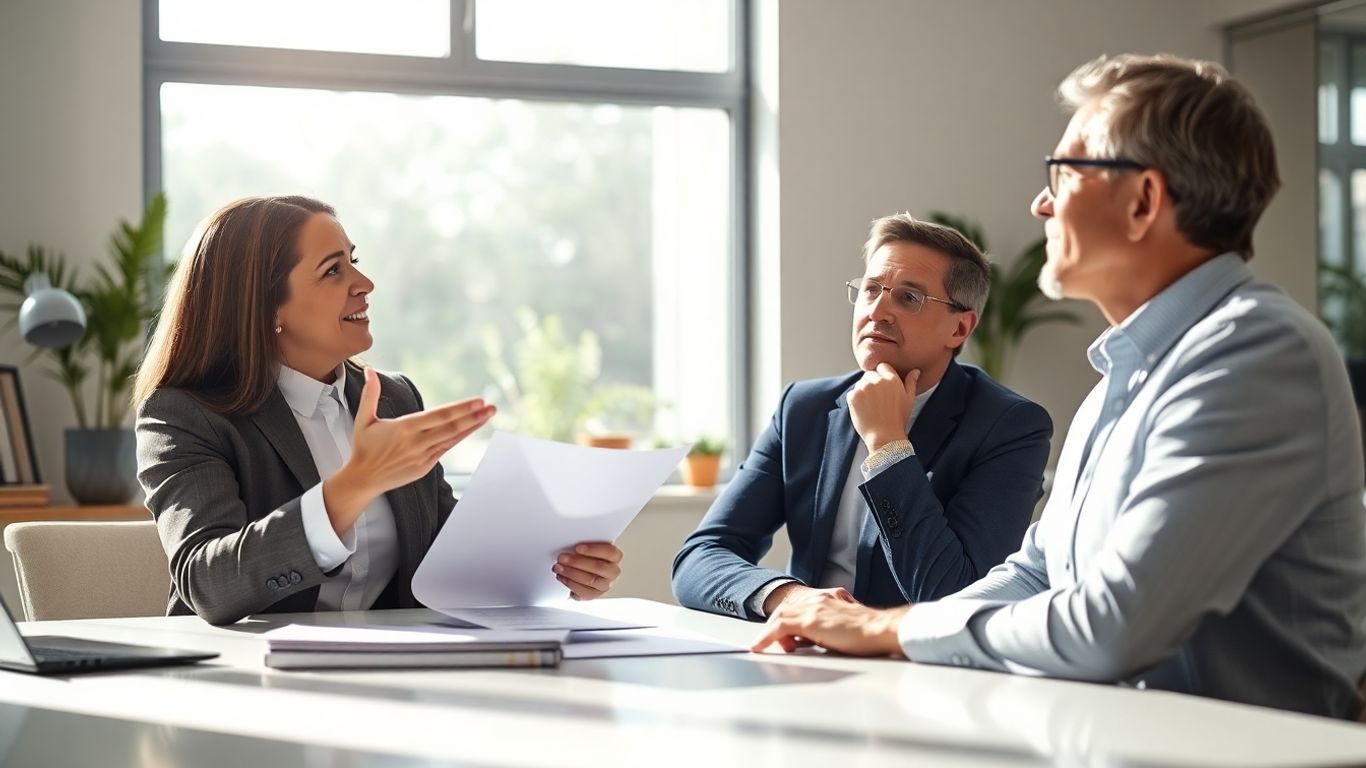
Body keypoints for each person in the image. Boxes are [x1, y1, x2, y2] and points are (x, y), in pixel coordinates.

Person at [751, 54, 1366, 720]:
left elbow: (1113, 626)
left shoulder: (1256, 353)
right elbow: (1037, 572)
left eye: (1064, 173)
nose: (1041, 203)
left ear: (1143, 202)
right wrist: (875, 633)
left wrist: (886, 629)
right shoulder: (1119, 381)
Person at [133, 195, 623, 625]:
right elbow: (209, 584)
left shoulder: (394, 399)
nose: (364, 283)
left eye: (354, 261)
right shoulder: (183, 415)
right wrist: (353, 486)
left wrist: (555, 567)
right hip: (245, 680)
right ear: (267, 307)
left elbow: (448, 563)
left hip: (391, 672)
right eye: (333, 270)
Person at [672, 214, 1053, 620]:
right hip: (804, 642)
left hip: (911, 652)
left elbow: (954, 596)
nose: (877, 310)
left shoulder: (1010, 427)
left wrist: (888, 446)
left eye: (909, 298)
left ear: (960, 328)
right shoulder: (803, 408)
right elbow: (700, 557)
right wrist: (790, 598)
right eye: (871, 289)